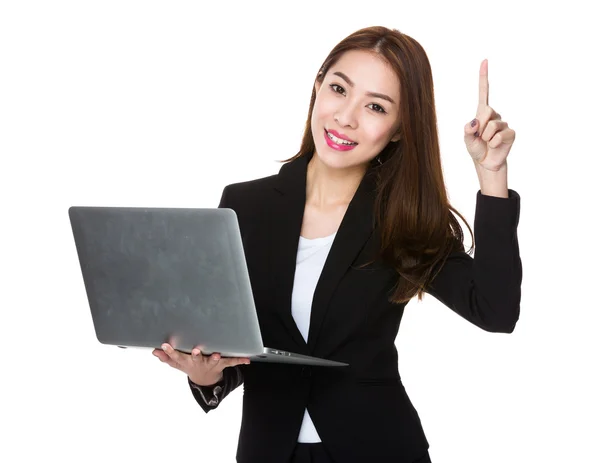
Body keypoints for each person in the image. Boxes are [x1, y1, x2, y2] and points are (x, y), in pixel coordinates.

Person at [152, 25, 521, 463]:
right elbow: (244, 350)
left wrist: (492, 175)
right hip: (270, 450)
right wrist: (206, 374)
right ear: (317, 86)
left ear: (401, 128)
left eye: (376, 107)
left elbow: (495, 311)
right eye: (339, 89)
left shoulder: (403, 218)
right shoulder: (243, 206)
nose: (346, 117)